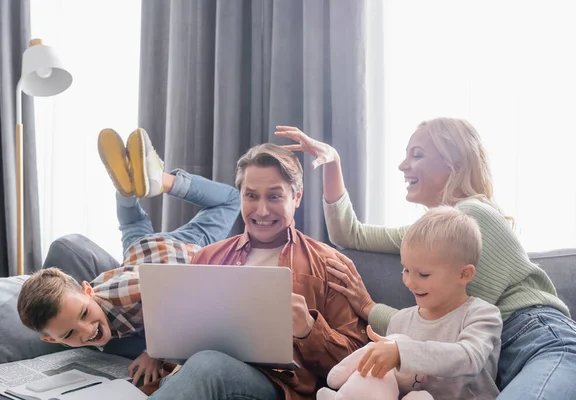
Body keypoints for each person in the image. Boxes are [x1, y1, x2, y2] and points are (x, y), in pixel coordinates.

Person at [275, 119, 576, 399]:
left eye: (416, 155)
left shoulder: (473, 215)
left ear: (454, 164)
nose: (402, 165)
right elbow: (349, 234)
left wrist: (368, 307)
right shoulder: (430, 238)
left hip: (537, 337)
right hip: (494, 361)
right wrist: (333, 162)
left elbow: (443, 326)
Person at [17, 128, 240, 386]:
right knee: (132, 224)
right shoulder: (77, 312)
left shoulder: (127, 295)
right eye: (69, 333)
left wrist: (156, 351)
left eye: (84, 314)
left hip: (176, 254)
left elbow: (186, 296)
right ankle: (125, 192)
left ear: (89, 291)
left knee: (232, 201)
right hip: (137, 252)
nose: (88, 330)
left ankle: (161, 179)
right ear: (52, 340)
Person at [149, 143, 368, 400]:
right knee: (202, 366)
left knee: (208, 366)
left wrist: (310, 330)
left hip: (277, 388)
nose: (261, 211)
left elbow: (356, 363)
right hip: (204, 378)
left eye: (274, 196)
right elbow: (181, 344)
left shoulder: (329, 265)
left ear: (296, 197)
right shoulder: (207, 257)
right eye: (251, 196)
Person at [317, 206, 502, 400]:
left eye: (423, 274)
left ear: (464, 274)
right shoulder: (400, 321)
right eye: (406, 270)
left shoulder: (483, 315)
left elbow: (469, 358)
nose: (409, 282)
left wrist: (401, 353)